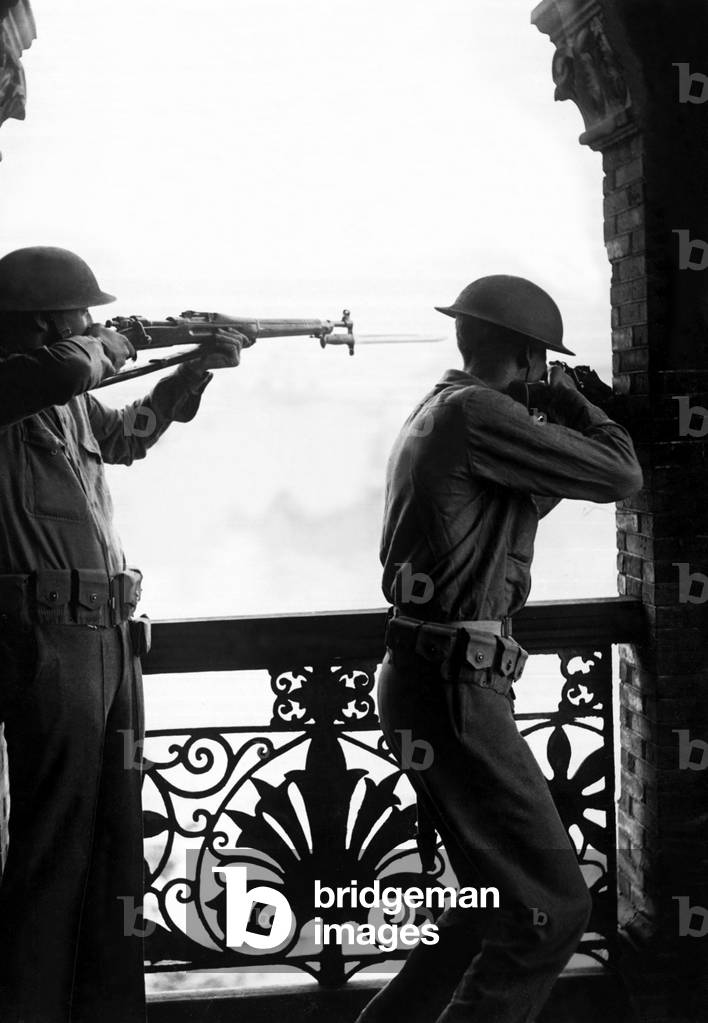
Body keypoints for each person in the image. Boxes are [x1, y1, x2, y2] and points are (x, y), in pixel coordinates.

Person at [0, 246, 248, 1023]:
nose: (94, 321)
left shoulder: (64, 394)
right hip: (44, 636)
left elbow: (131, 434)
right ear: (46, 321)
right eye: (83, 313)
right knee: (52, 854)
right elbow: (69, 370)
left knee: (110, 852)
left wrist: (192, 372)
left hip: (103, 632)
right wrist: (122, 343)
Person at [357, 275, 642, 1023]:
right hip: (455, 685)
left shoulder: (446, 410)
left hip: (430, 675)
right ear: (527, 353)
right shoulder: (479, 412)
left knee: (490, 904)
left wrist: (556, 419)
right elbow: (621, 475)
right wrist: (580, 408)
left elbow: (536, 492)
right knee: (554, 905)